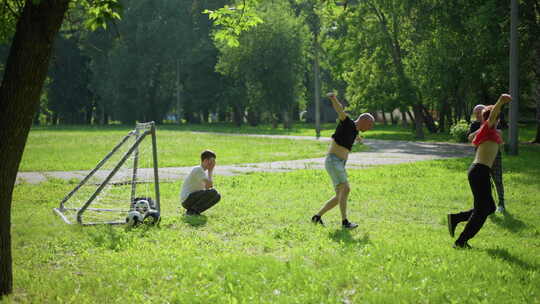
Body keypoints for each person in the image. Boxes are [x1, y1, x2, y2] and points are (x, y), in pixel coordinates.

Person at [448, 94, 512, 249]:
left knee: (489, 208)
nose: (498, 119)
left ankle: (455, 218)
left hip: (480, 172)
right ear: (493, 118)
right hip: (479, 172)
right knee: (481, 211)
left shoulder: (492, 132)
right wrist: (500, 102)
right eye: (496, 117)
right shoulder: (487, 128)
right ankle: (461, 242)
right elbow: (492, 115)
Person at [311, 92, 374, 229]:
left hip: (339, 163)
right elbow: (340, 110)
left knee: (340, 194)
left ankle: (317, 217)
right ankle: (345, 222)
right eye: (370, 125)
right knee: (345, 189)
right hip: (333, 161)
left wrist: (358, 139)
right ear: (363, 121)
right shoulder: (347, 123)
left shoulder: (355, 131)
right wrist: (333, 98)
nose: (370, 128)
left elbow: (355, 135)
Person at [468, 104, 506, 212]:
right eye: (476, 114)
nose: (478, 115)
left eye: (480, 112)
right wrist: (482, 129)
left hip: (494, 156)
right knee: (484, 182)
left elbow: (499, 134)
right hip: (481, 158)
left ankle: (501, 203)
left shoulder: (493, 122)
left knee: (497, 179)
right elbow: (470, 138)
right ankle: (485, 204)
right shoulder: (475, 125)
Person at [180, 150, 221, 215]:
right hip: (187, 199)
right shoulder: (198, 169)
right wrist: (210, 171)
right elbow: (209, 187)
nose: (213, 163)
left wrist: (210, 171)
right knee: (213, 192)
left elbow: (208, 188)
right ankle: (192, 211)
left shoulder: (203, 172)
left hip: (192, 198)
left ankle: (194, 211)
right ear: (205, 160)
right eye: (211, 161)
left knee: (217, 196)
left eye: (214, 161)